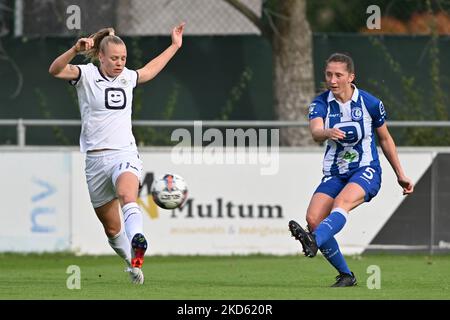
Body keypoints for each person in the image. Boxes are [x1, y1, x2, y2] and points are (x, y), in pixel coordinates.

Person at [48, 23, 185, 284]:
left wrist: (174, 46)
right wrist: (74, 50)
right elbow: (55, 70)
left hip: (123, 153)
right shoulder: (85, 75)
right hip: (95, 160)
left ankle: (137, 238)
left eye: (123, 58)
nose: (120, 63)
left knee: (127, 194)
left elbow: (148, 71)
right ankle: (133, 263)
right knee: (111, 229)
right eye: (114, 58)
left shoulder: (127, 77)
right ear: (101, 56)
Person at [289, 53, 414, 287]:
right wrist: (327, 132)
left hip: (366, 170)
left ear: (351, 77)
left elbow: (385, 139)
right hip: (336, 172)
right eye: (328, 75)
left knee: (341, 204)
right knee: (314, 218)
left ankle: (313, 240)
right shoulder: (320, 103)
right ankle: (346, 275)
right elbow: (316, 132)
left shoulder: (370, 103)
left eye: (338, 75)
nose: (332, 80)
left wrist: (400, 174)